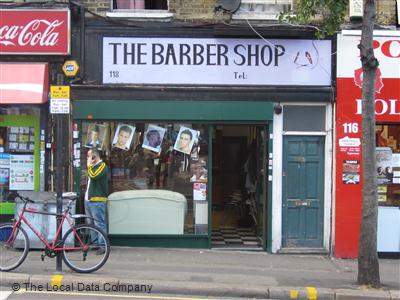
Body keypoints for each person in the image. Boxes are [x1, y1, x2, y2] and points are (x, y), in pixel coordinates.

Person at [85, 148, 109, 255]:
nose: (88, 158)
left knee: (99, 223)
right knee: (91, 223)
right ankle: (95, 243)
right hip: (89, 199)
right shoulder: (94, 167)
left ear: (95, 156)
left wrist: (89, 165)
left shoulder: (102, 166)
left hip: (97, 200)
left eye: (89, 156)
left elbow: (93, 176)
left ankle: (102, 245)